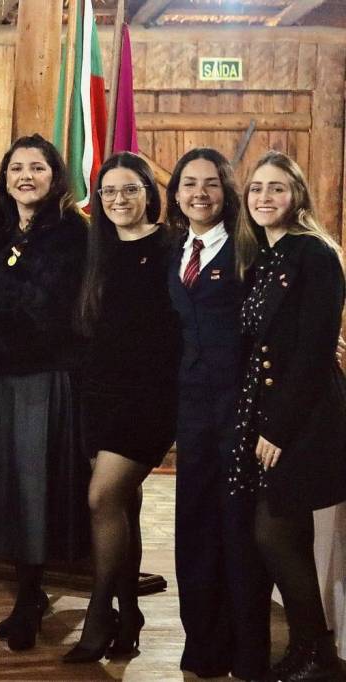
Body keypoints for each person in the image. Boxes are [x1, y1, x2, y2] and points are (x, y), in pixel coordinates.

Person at [0, 134, 90, 652]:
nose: (26, 177)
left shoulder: (71, 233)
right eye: (17, 168)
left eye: (37, 167)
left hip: (43, 376)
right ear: (4, 178)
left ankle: (31, 599)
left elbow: (51, 312)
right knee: (12, 489)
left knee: (36, 488)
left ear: (54, 176)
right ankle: (27, 592)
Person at [230, 150, 346, 679]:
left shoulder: (313, 253)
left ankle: (316, 650)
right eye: (256, 188)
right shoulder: (265, 255)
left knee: (273, 532)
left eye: (276, 187)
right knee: (288, 532)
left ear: (297, 195)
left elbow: (315, 350)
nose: (264, 197)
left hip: (303, 416)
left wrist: (277, 428)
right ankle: (307, 648)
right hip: (266, 411)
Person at [64, 153, 179, 662]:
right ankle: (129, 612)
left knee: (102, 497)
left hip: (150, 397)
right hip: (98, 394)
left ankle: (99, 611)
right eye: (108, 191)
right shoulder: (95, 248)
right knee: (122, 505)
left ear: (150, 194)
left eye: (130, 189)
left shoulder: (172, 247)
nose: (118, 199)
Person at [166, 148, 272, 679]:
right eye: (189, 183)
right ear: (176, 193)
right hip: (192, 412)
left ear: (227, 191)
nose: (199, 193)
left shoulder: (249, 249)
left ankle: (248, 653)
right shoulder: (173, 249)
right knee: (195, 527)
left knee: (238, 531)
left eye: (210, 183)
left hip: (241, 410)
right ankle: (203, 647)